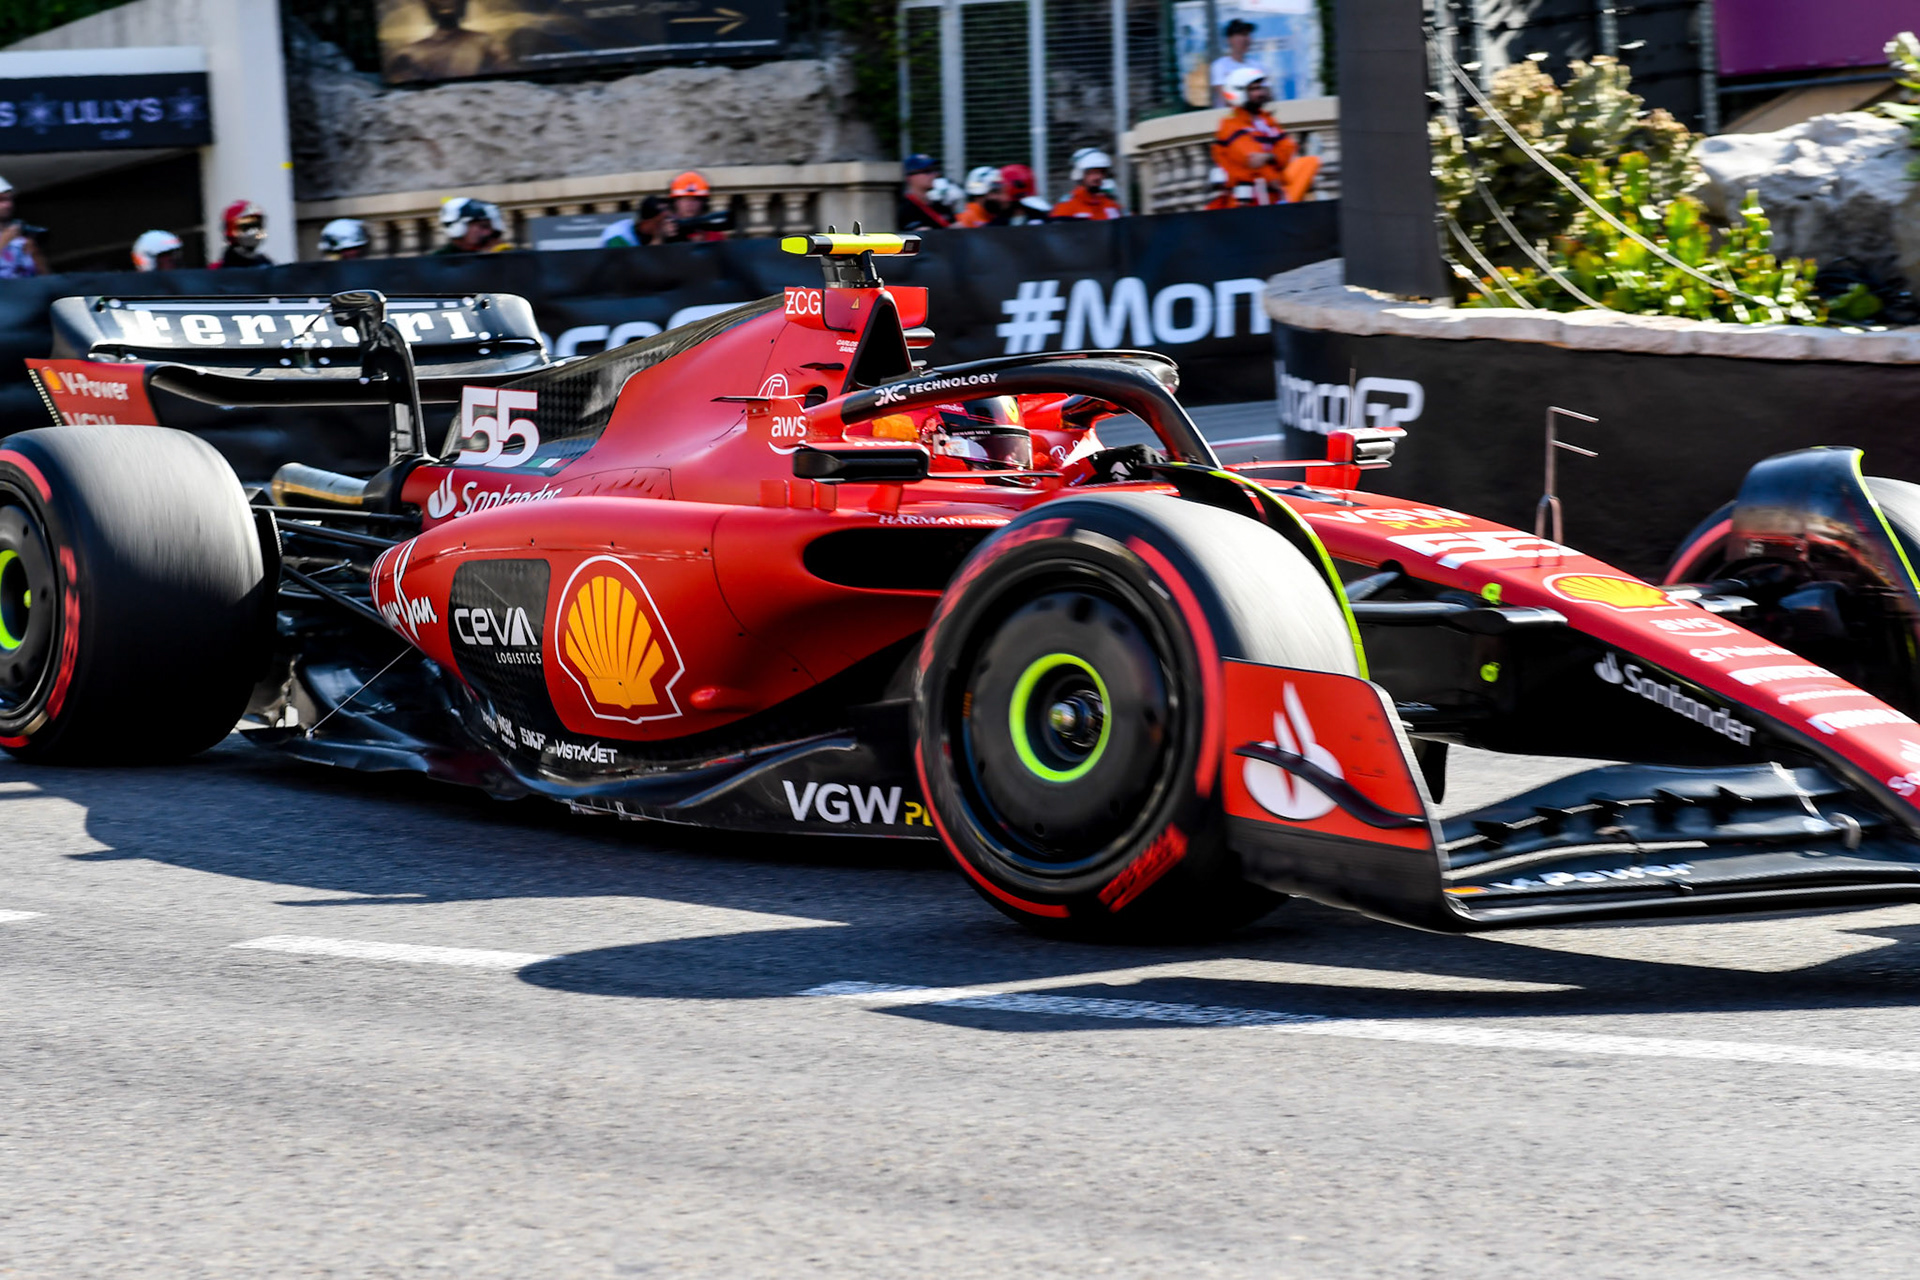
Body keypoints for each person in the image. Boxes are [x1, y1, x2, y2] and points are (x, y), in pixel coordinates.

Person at [1207, 68, 1319, 207]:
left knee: (1310, 162)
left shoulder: (1266, 120)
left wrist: (1269, 157)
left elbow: (1289, 148)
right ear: (1239, 93)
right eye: (1254, 89)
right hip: (1245, 201)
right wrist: (1274, 173)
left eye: (1261, 88)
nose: (1260, 93)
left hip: (1272, 196)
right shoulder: (1230, 124)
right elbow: (1252, 159)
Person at [385, 0, 509, 82]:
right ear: (427, 6)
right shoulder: (407, 54)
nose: (446, 2)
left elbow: (505, 79)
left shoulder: (485, 42)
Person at [1051, 149, 1123, 220]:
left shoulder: (1109, 203)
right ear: (1080, 175)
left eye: (1101, 172)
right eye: (1092, 173)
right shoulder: (1067, 205)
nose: (1098, 177)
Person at [0, 178, 47, 279]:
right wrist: (4, 240)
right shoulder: (8, 236)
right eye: (1, 200)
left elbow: (46, 278)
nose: (8, 205)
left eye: (9, 199)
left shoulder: (19, 236)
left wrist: (35, 254)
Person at [664, 172, 728, 243]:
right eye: (685, 199)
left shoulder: (715, 235)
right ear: (676, 202)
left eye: (695, 200)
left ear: (703, 203)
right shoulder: (665, 230)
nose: (690, 204)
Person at [436, 196, 512, 254]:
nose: (488, 233)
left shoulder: (503, 255)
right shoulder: (438, 262)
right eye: (484, 226)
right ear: (458, 228)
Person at [1210, 19, 1257, 106]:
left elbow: (1267, 96)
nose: (1245, 39)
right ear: (1229, 39)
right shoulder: (1220, 66)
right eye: (1240, 35)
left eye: (1247, 34)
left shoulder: (1257, 66)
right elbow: (1226, 98)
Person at [896, 153, 949, 231]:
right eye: (927, 171)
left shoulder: (940, 206)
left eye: (934, 170)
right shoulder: (904, 209)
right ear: (910, 177)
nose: (934, 175)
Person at [214, 199, 273, 268]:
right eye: (249, 226)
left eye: (258, 225)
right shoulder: (218, 271)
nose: (256, 232)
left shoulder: (266, 264)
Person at [599, 196, 676, 248]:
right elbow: (633, 268)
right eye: (661, 221)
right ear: (647, 222)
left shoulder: (668, 233)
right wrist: (659, 237)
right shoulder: (618, 234)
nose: (666, 224)